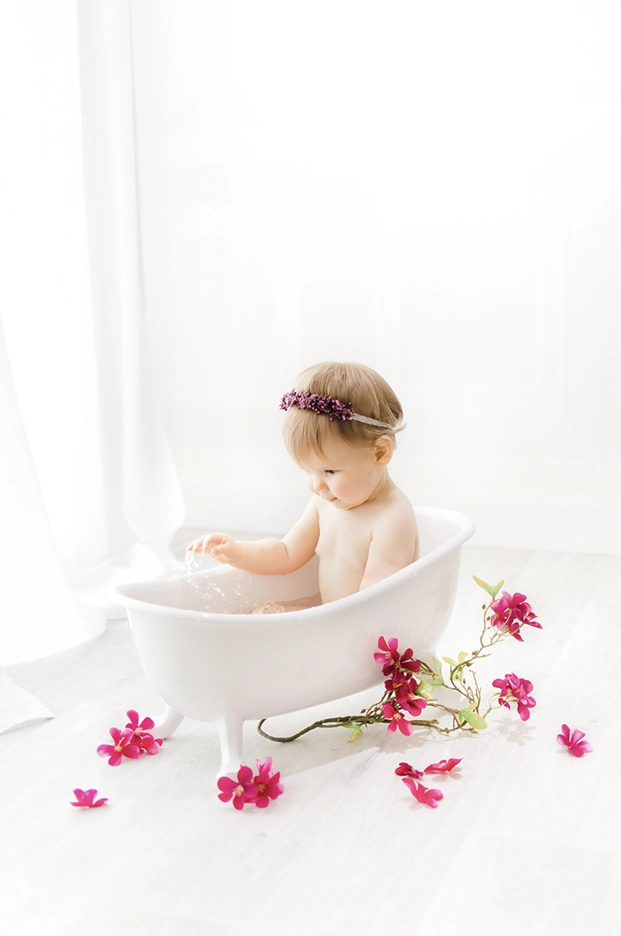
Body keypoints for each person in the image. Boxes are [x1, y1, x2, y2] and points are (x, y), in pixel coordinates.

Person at [187, 362, 419, 611]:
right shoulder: (324, 504)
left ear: (380, 453)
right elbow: (286, 553)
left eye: (330, 471)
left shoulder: (391, 518)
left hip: (360, 626)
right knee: (260, 612)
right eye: (307, 471)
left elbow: (375, 602)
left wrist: (307, 620)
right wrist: (237, 553)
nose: (317, 485)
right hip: (333, 615)